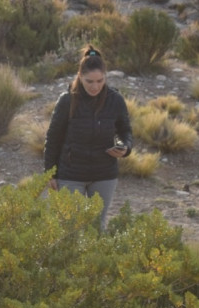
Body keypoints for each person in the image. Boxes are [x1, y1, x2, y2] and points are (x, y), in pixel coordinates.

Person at [44, 45, 133, 230]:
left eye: (100, 81)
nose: (95, 86)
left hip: (104, 174)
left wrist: (124, 147)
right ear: (79, 76)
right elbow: (53, 138)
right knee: (71, 227)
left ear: (105, 77)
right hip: (71, 175)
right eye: (89, 81)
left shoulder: (115, 100)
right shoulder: (67, 100)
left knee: (96, 226)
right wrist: (50, 173)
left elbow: (124, 131)